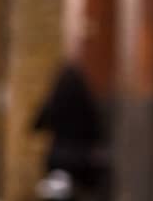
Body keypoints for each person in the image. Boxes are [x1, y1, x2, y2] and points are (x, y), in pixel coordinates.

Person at [31, 62, 105, 190]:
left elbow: (37, 124)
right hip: (80, 160)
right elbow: (97, 131)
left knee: (54, 190)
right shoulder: (86, 103)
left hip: (57, 158)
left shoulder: (55, 101)